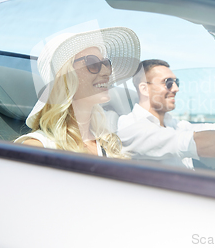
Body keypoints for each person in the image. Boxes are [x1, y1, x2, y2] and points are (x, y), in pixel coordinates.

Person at [14, 27, 140, 159]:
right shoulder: (38, 147)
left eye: (106, 63)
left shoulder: (108, 144)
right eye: (93, 63)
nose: (106, 72)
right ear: (65, 77)